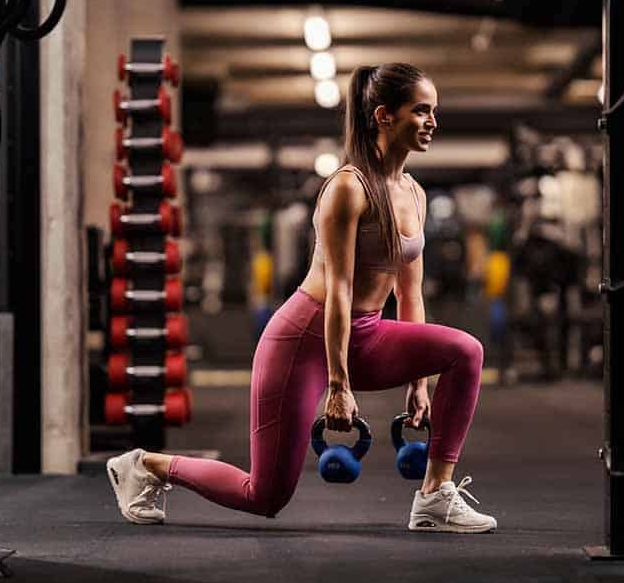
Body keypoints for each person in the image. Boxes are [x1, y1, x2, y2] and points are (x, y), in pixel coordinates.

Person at [107, 63, 496, 533]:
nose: (433, 121)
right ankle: (144, 465)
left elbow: (409, 292)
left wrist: (419, 382)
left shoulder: (414, 193)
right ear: (384, 116)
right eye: (421, 110)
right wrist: (338, 383)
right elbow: (340, 290)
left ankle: (434, 498)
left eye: (434, 110)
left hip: (368, 335)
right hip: (306, 339)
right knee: (265, 495)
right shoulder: (348, 189)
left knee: (464, 351)